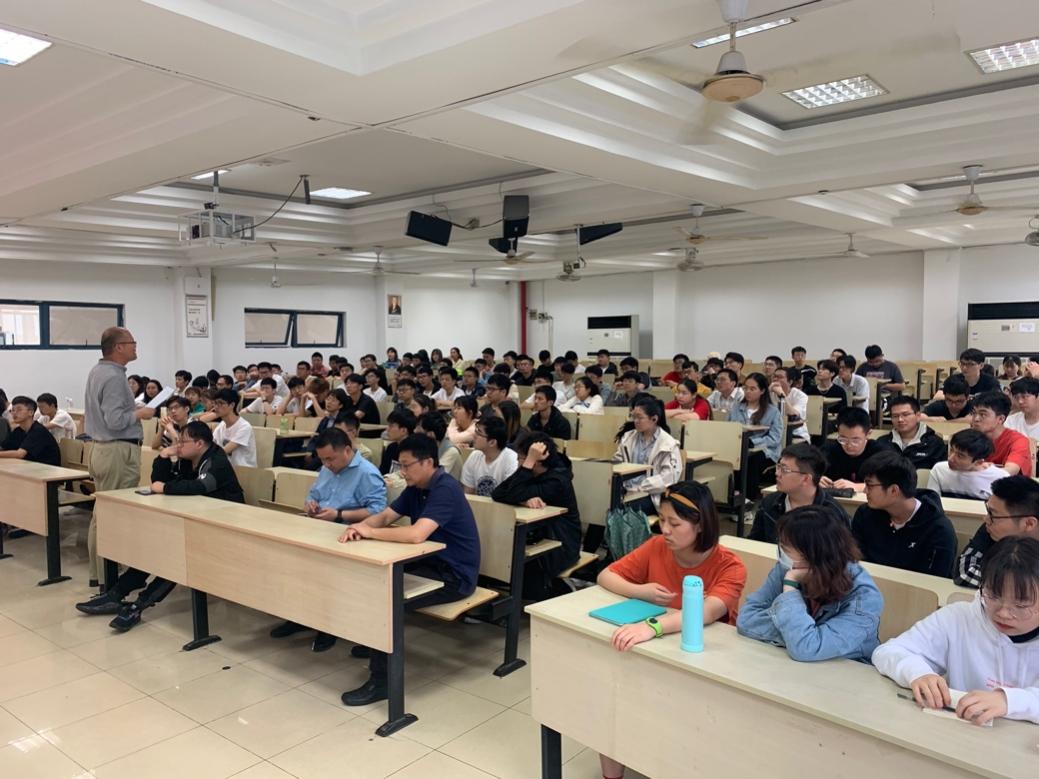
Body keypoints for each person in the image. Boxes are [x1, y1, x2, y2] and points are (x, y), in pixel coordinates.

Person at [596, 480, 746, 779]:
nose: (664, 529)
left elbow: (706, 612)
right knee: (611, 700)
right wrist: (641, 591)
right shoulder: (656, 547)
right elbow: (605, 575)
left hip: (706, 666)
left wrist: (652, 627)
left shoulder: (729, 566)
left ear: (700, 525)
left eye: (674, 523)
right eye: (662, 520)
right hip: (657, 653)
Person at [338, 434, 481, 706]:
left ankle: (382, 682)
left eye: (406, 465)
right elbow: (386, 516)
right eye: (400, 465)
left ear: (428, 462)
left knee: (386, 600)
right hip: (429, 563)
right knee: (372, 581)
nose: (402, 472)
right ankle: (378, 641)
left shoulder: (445, 489)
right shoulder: (417, 487)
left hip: (454, 575)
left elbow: (416, 535)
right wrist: (360, 527)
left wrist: (371, 532)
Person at [74, 420, 245, 629]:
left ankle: (139, 605)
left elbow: (200, 486)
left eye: (183, 442)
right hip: (197, 518)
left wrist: (166, 488)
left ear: (199, 443)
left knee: (175, 558)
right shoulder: (187, 459)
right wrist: (164, 456)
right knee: (156, 549)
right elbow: (159, 480)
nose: (178, 445)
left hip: (224, 525)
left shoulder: (217, 461)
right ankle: (116, 594)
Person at [873, 536, 1039, 726]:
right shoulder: (959, 618)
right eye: (993, 596)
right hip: (958, 731)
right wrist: (917, 673)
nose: (1003, 613)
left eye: (1020, 605)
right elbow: (887, 652)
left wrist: (1009, 701)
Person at [269, 428, 386, 651]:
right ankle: (299, 616)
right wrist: (311, 505)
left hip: (348, 534)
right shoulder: (326, 468)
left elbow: (379, 512)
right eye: (322, 459)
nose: (327, 464)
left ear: (347, 450)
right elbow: (313, 495)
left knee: (324, 573)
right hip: (319, 528)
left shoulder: (367, 473)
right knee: (293, 564)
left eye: (330, 459)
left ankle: (328, 627)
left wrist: (339, 514)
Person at [738, 504, 883, 662]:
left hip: (849, 669)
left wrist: (790, 588)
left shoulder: (864, 598)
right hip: (796, 664)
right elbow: (746, 619)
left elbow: (806, 647)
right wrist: (798, 634)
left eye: (786, 547)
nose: (781, 552)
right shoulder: (787, 567)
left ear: (813, 553)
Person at [84, 327, 155, 587]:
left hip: (102, 448)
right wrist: (141, 414)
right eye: (132, 342)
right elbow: (115, 421)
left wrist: (132, 408)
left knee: (102, 513)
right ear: (118, 347)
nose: (135, 346)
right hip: (116, 450)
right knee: (111, 514)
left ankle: (101, 574)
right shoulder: (113, 377)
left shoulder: (98, 371)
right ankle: (109, 578)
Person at [492, 433, 581, 597]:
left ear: (537, 461)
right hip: (539, 535)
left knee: (517, 566)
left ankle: (556, 590)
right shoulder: (533, 473)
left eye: (522, 458)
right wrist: (524, 501)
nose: (519, 462)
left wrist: (528, 463)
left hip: (561, 544)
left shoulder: (556, 480)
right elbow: (498, 493)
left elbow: (512, 493)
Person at [851, 451, 957, 576]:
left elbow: (935, 579)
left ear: (893, 490)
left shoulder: (939, 530)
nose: (865, 491)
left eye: (869, 485)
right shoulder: (865, 514)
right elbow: (856, 561)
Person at [749, 443, 843, 544]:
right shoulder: (769, 503)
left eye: (784, 470)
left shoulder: (832, 514)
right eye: (778, 467)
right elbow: (754, 543)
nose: (777, 473)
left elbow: (839, 552)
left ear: (806, 479)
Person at [957, 475, 1039, 588]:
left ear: (1029, 523)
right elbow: (966, 572)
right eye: (988, 511)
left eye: (992, 514)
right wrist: (1015, 588)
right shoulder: (990, 528)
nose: (986, 519)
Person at [611, 396, 682, 515]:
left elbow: (669, 477)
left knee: (621, 511)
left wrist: (642, 487)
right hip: (625, 490)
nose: (635, 421)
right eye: (634, 417)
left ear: (654, 419)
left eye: (640, 417)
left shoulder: (668, 444)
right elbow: (617, 461)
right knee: (603, 505)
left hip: (650, 494)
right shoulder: (628, 437)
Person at [728, 373, 783, 498]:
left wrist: (753, 443)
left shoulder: (772, 411)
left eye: (752, 389)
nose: (748, 391)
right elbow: (728, 429)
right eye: (746, 388)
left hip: (765, 451)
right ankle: (731, 495)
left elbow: (775, 438)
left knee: (751, 459)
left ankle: (748, 498)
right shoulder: (736, 408)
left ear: (762, 391)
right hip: (739, 447)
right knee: (730, 458)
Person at [927, 429, 1008, 501]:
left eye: (960, 456)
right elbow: (932, 503)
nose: (950, 458)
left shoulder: (1000, 478)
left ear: (978, 462)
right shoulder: (940, 469)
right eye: (951, 450)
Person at [819, 407, 885, 492]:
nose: (849, 445)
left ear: (868, 434)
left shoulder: (881, 453)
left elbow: (892, 483)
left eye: (855, 440)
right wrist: (817, 479)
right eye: (843, 439)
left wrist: (857, 486)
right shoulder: (828, 450)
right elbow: (810, 472)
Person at [971, 391, 1032, 477]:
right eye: (974, 413)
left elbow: (1009, 471)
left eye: (983, 414)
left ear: (1001, 419)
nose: (976, 419)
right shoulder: (969, 438)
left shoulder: (1018, 441)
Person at [877, 395, 947, 468]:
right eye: (895, 416)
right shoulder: (882, 442)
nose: (900, 419)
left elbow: (939, 471)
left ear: (918, 416)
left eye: (905, 415)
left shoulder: (934, 444)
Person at [461, 415, 519, 496]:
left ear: (492, 442)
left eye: (479, 433)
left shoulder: (512, 460)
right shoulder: (474, 456)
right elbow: (468, 493)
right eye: (476, 430)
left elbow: (509, 495)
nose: (474, 435)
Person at [0, 396, 61, 466]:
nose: (14, 413)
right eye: (13, 410)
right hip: (28, 466)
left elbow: (20, 454)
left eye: (19, 410)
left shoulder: (38, 431)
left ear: (31, 412)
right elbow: (3, 447)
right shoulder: (18, 431)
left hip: (48, 469)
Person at [211, 389, 257, 468]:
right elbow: (212, 445)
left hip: (244, 470)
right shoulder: (221, 425)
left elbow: (224, 451)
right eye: (215, 403)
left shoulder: (244, 427)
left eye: (220, 403)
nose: (216, 407)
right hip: (226, 468)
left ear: (232, 405)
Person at [416, 411, 463, 480]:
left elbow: (434, 476)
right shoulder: (426, 448)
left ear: (430, 434)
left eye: (419, 429)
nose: (415, 431)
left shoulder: (451, 451)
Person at [770, 366, 809, 442]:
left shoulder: (800, 396)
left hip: (796, 434)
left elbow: (793, 415)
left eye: (780, 377)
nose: (775, 379)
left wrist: (782, 395)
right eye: (774, 376)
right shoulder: (770, 394)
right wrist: (767, 392)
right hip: (774, 432)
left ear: (790, 382)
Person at [379, 409, 417, 476]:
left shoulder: (416, 451)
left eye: (391, 426)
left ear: (403, 430)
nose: (387, 429)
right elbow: (382, 472)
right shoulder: (391, 448)